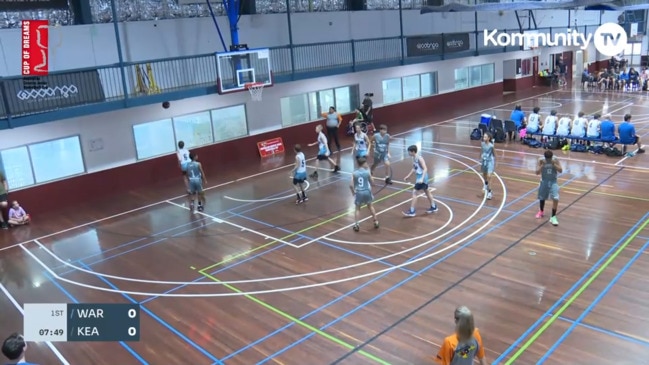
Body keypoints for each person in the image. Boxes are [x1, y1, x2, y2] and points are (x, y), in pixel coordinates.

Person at [403, 145, 438, 217]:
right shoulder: (414, 158)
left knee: (414, 193)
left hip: (422, 177)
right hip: (420, 177)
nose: (408, 153)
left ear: (413, 152)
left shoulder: (419, 158)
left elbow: (425, 168)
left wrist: (422, 178)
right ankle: (434, 206)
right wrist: (408, 176)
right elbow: (414, 168)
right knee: (427, 191)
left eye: (409, 152)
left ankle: (412, 211)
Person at [350, 157, 379, 232]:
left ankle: (357, 225)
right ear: (363, 164)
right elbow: (373, 182)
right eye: (365, 163)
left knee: (357, 209)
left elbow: (350, 185)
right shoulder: (367, 172)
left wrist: (353, 192)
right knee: (370, 206)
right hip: (366, 191)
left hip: (359, 192)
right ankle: (375, 221)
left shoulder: (354, 173)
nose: (367, 164)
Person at [535, 150, 562, 226]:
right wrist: (541, 166)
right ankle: (541, 211)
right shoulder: (541, 160)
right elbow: (537, 172)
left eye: (549, 159)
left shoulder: (555, 159)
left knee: (556, 198)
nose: (548, 160)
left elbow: (560, 170)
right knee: (542, 197)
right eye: (547, 159)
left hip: (553, 181)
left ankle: (553, 217)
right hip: (544, 181)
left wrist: (554, 165)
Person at [480, 133, 495, 200]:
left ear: (489, 138)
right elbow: (481, 151)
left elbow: (494, 154)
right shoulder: (482, 144)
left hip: (490, 162)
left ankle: (490, 192)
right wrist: (480, 158)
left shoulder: (491, 146)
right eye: (484, 137)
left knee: (489, 176)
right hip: (484, 161)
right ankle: (486, 183)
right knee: (485, 175)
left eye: (485, 137)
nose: (484, 138)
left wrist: (496, 162)